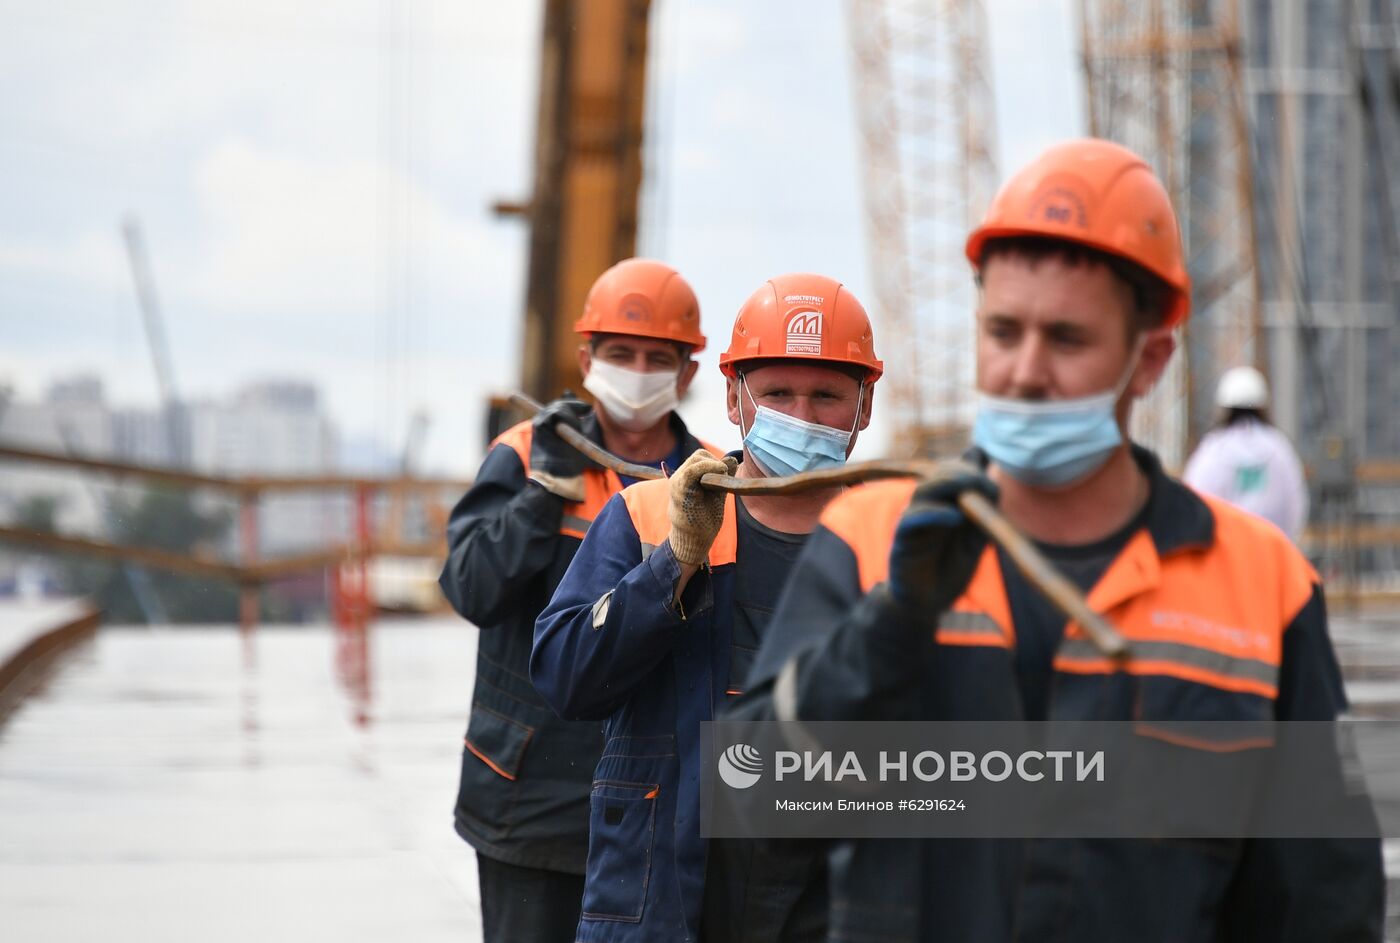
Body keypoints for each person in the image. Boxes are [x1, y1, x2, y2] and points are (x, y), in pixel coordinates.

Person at [730, 139, 1384, 941]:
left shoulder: (1261, 583)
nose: (1024, 370)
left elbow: (1321, 904)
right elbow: (757, 794)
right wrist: (892, 625)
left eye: (1066, 340)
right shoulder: (872, 542)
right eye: (1003, 332)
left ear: (1149, 359)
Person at [531, 273, 882, 942]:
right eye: (777, 392)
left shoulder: (899, 540)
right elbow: (564, 676)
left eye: (827, 396)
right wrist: (675, 563)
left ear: (865, 405)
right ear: (732, 396)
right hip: (667, 898)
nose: (801, 416)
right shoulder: (646, 516)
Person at [439, 258, 718, 943]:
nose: (638, 368)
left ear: (688, 372)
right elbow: (472, 587)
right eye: (621, 352)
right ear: (587, 355)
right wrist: (542, 495)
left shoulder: (710, 481)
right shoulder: (522, 453)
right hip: (530, 800)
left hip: (659, 809)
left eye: (659, 356)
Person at [1183, 365, 1309, 541]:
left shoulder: (1212, 450)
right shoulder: (1279, 448)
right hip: (1271, 555)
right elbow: (1295, 506)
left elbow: (1193, 502)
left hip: (1223, 557)